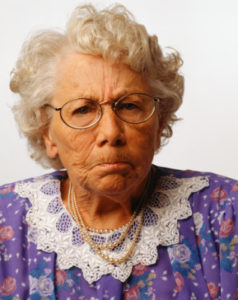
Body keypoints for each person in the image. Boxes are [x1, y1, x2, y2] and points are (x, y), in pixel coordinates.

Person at [0, 3, 238, 299]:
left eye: (129, 105)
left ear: (158, 122)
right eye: (83, 109)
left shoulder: (226, 211)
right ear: (47, 133)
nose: (111, 132)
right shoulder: (4, 221)